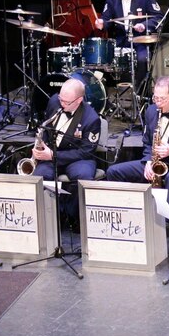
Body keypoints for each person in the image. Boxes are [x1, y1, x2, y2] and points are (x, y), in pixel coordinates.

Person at [104, 76, 169, 259]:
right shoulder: (151, 112)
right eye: (155, 98)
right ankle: (129, 223)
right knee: (113, 172)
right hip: (155, 162)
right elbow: (146, 143)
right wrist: (149, 161)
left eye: (162, 99)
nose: (158, 103)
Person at [31, 77, 101, 229]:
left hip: (77, 157)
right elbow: (46, 127)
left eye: (66, 102)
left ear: (79, 100)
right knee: (39, 177)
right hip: (51, 152)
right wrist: (40, 145)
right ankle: (48, 220)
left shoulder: (92, 119)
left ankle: (74, 218)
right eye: (61, 99)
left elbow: (86, 152)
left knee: (83, 176)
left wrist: (54, 156)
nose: (61, 104)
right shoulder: (55, 101)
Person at [95, 0, 163, 84]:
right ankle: (113, 93)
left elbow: (158, 17)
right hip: (120, 42)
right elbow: (106, 19)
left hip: (140, 43)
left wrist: (144, 25)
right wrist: (101, 23)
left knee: (143, 59)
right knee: (102, 60)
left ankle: (140, 93)